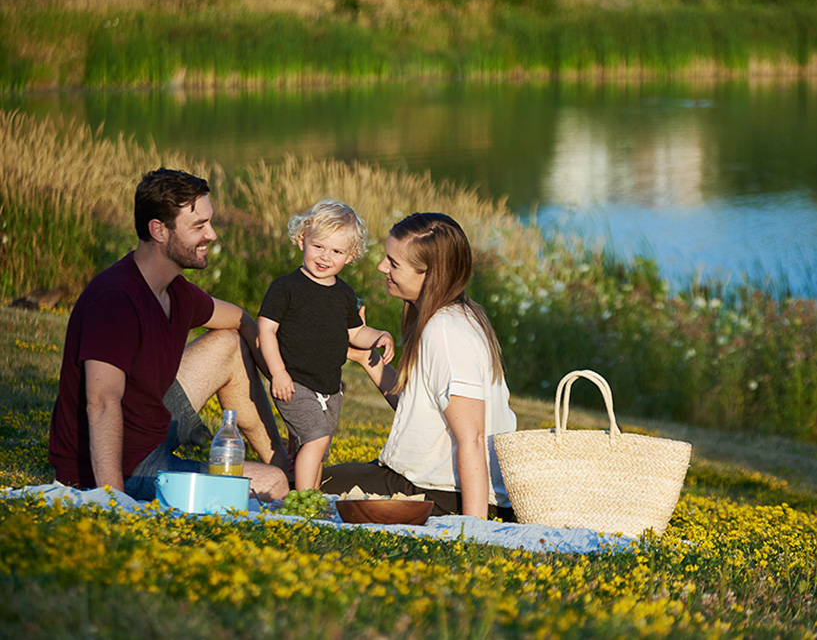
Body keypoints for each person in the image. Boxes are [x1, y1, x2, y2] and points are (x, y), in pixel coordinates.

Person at [49, 167, 290, 502]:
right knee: (271, 484)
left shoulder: (175, 291)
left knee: (228, 344)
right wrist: (113, 499)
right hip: (121, 464)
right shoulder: (115, 299)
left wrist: (282, 379)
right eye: (199, 226)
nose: (213, 235)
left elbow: (242, 320)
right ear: (159, 231)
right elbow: (101, 402)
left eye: (210, 222)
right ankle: (283, 479)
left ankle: (283, 462)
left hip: (149, 426)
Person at [320, 212, 516, 520]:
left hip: (442, 494)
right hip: (430, 484)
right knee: (311, 478)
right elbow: (419, 410)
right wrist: (363, 356)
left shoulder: (447, 331)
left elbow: (473, 438)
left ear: (429, 275)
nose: (381, 267)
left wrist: (474, 528)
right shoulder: (455, 315)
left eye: (393, 263)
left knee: (301, 488)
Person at [258, 200, 394, 492]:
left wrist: (379, 335)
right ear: (301, 239)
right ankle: (304, 503)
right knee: (315, 439)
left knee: (320, 449)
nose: (325, 257)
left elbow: (356, 333)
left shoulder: (344, 294)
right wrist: (278, 373)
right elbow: (266, 330)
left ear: (351, 255)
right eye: (318, 246)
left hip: (330, 389)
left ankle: (309, 495)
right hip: (294, 383)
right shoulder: (286, 287)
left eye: (336, 251)